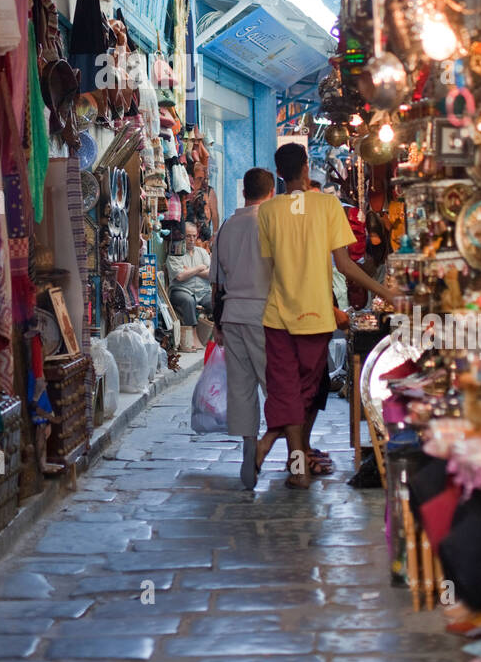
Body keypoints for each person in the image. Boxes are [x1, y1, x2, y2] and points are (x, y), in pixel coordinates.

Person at [255, 142, 398, 489]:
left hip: (277, 315)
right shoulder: (328, 205)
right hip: (316, 316)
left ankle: (291, 464)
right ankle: (290, 463)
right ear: (306, 169)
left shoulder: (269, 212)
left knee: (287, 392)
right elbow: (345, 265)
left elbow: (270, 267)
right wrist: (386, 293)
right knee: (303, 395)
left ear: (279, 174)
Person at [209, 167, 275, 489]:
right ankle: (285, 449)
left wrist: (218, 323)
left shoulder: (225, 228)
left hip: (232, 315)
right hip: (265, 316)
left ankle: (249, 446)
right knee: (273, 386)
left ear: (244, 192)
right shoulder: (271, 223)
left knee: (241, 386)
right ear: (271, 192)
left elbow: (216, 285)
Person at [167, 222, 213, 350]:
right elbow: (180, 277)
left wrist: (190, 271)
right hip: (181, 290)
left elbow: (211, 273)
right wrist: (199, 268)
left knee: (217, 302)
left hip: (203, 292)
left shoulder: (202, 252)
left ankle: (214, 336)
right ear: (182, 236)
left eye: (193, 236)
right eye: (188, 236)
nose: (191, 239)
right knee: (188, 300)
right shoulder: (175, 252)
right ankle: (192, 336)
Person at [186, 163, 219, 247]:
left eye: (205, 179)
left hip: (204, 238)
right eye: (200, 178)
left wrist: (215, 234)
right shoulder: (186, 190)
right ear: (192, 178)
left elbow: (215, 215)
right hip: (187, 235)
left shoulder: (209, 192)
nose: (203, 182)